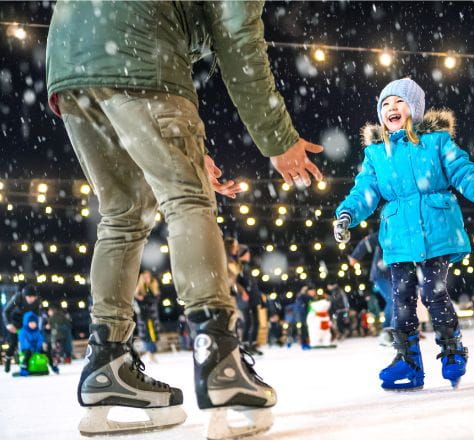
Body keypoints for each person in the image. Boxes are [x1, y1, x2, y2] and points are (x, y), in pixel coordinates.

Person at [46, 2, 324, 436]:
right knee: (188, 200)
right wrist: (277, 137)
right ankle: (219, 356)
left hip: (72, 57)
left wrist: (188, 150)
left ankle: (107, 361)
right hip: (136, 51)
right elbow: (238, 39)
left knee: (122, 215)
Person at [334, 78, 474, 390]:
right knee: (401, 298)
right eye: (385, 104)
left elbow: (464, 172)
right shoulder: (376, 153)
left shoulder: (437, 142)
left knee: (433, 293)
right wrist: (347, 214)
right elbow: (365, 191)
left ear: (413, 108)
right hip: (399, 234)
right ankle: (408, 360)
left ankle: (452, 350)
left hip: (436, 229)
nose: (391, 108)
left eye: (399, 102)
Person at [349, 232, 394, 345]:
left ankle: (400, 330)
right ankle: (387, 331)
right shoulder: (388, 231)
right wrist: (355, 256)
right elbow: (367, 241)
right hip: (381, 274)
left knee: (401, 300)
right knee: (393, 299)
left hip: (395, 274)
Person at [2, 285, 40, 374]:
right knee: (13, 343)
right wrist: (8, 324)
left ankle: (27, 363)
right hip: (14, 322)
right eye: (29, 297)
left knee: (29, 344)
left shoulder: (36, 302)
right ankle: (8, 358)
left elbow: (36, 315)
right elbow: (6, 311)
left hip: (27, 324)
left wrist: (35, 326)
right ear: (24, 296)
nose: (31, 299)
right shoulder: (18, 297)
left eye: (33, 297)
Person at [17, 311, 58, 376]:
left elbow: (40, 339)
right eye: (31, 323)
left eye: (34, 323)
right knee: (28, 354)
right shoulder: (23, 332)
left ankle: (52, 365)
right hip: (26, 348)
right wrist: (29, 347)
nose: (33, 325)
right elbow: (24, 341)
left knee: (47, 352)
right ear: (26, 323)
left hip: (36, 347)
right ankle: (24, 367)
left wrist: (38, 346)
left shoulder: (37, 331)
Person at [134, 271, 162, 363]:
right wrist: (140, 299)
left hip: (152, 316)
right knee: (146, 336)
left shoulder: (153, 287)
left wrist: (144, 298)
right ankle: (150, 353)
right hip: (143, 316)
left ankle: (152, 353)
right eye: (144, 277)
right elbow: (136, 301)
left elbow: (154, 299)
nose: (146, 278)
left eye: (148, 277)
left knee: (152, 335)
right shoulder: (139, 289)